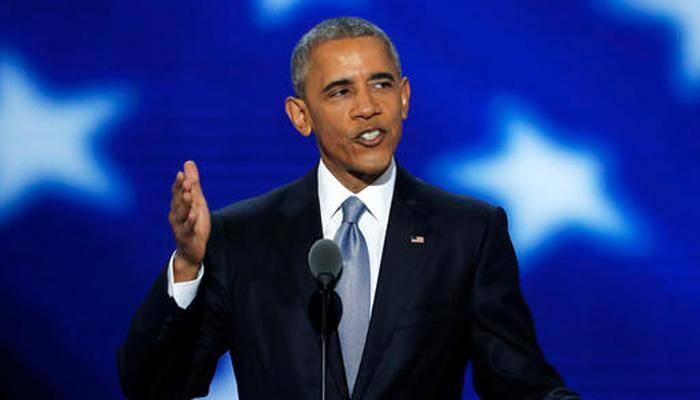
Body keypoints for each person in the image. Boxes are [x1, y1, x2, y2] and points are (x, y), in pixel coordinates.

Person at [118, 17, 579, 400]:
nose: (367, 108)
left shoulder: (468, 232)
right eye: (340, 92)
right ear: (301, 116)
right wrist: (188, 266)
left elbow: (521, 385)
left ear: (404, 98)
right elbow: (156, 385)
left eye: (380, 85)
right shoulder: (242, 236)